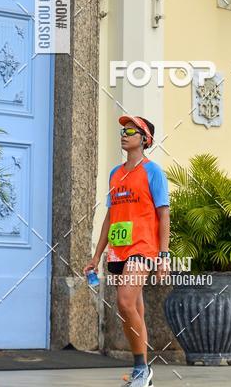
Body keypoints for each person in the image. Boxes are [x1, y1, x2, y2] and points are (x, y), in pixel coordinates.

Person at [84, 116, 170, 387]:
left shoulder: (153, 171)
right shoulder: (115, 174)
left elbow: (164, 215)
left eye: (131, 130)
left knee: (124, 301)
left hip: (143, 248)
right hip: (118, 250)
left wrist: (163, 256)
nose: (124, 134)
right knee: (132, 310)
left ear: (145, 139)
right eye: (123, 130)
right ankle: (141, 372)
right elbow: (110, 217)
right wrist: (97, 255)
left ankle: (141, 369)